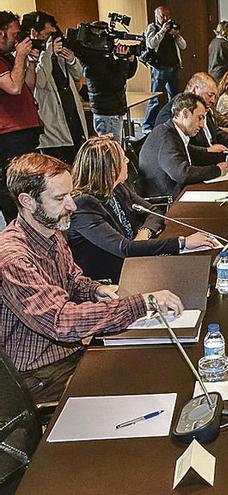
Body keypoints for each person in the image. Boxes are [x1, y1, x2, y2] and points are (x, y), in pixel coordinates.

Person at [0, 153, 184, 402]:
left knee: (154, 365)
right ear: (27, 202)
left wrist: (96, 290)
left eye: (70, 195)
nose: (72, 206)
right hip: (39, 374)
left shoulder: (49, 230)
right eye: (60, 198)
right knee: (143, 382)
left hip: (67, 355)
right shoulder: (14, 258)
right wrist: (141, 303)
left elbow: (73, 280)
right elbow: (61, 322)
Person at [67, 136, 217, 282]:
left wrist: (143, 233)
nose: (127, 161)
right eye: (123, 158)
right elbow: (124, 249)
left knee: (204, 268)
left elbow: (154, 212)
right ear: (111, 169)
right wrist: (182, 243)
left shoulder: (117, 188)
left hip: (138, 261)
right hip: (116, 279)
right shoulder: (83, 205)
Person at [21, 11, 87, 165]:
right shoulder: (28, 54)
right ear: (34, 33)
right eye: (47, 34)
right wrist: (47, 53)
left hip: (72, 119)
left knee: (77, 165)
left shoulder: (56, 52)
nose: (51, 38)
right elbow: (40, 82)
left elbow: (78, 76)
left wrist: (71, 60)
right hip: (53, 128)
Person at [138, 92, 228, 199]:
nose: (201, 125)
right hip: (167, 204)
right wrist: (217, 170)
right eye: (199, 118)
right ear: (185, 113)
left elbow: (194, 153)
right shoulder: (166, 136)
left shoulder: (173, 132)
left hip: (178, 194)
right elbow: (182, 173)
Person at [154, 72, 228, 165]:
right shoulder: (171, 116)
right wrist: (208, 151)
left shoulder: (203, 106)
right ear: (194, 90)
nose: (213, 100)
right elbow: (179, 148)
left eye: (214, 96)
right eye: (210, 95)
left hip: (216, 160)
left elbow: (214, 132)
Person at [0, 11, 41, 223]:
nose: (17, 39)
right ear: (1, 34)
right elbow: (14, 88)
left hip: (25, 132)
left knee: (29, 185)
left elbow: (28, 87)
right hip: (9, 136)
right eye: (14, 34)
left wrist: (31, 62)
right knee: (14, 189)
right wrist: (21, 55)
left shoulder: (8, 58)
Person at [79, 37, 139, 142]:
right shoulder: (95, 62)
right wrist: (122, 60)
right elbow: (117, 82)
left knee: (113, 149)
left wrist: (130, 60)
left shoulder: (102, 58)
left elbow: (126, 74)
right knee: (111, 151)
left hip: (111, 110)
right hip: (107, 114)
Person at [142, 5, 186, 132]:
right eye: (162, 16)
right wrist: (162, 30)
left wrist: (176, 35)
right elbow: (151, 44)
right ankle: (148, 126)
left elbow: (183, 46)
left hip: (174, 67)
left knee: (175, 98)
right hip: (159, 68)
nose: (166, 19)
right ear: (156, 16)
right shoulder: (152, 28)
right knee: (155, 98)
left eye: (167, 16)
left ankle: (172, 122)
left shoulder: (172, 29)